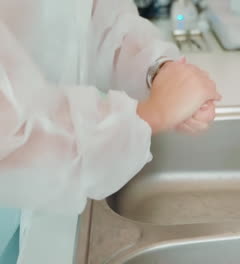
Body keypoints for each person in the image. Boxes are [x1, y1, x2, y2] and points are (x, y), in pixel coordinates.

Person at [0, 0, 221, 262]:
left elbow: (97, 16)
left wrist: (158, 71)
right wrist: (153, 113)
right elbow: (11, 130)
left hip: (42, 201)